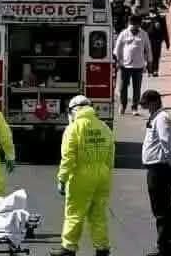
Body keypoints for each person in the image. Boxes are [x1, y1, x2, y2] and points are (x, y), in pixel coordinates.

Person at [51, 95, 114, 256]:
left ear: (73, 111)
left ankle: (69, 247)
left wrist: (62, 179)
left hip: (81, 176)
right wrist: (106, 172)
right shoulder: (104, 127)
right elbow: (110, 155)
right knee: (98, 215)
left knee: (74, 213)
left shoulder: (73, 129)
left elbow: (68, 157)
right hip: (102, 175)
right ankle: (102, 248)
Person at [140, 90, 171, 256]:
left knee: (162, 211)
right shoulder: (156, 117)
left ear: (155, 102)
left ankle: (166, 248)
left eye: (147, 105)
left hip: (160, 168)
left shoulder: (162, 118)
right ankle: (165, 246)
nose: (146, 108)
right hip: (156, 168)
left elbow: (167, 142)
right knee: (161, 209)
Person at [114, 15, 152, 115]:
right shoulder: (124, 33)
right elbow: (117, 48)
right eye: (132, 24)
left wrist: (149, 61)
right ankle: (123, 105)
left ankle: (134, 107)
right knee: (123, 87)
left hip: (138, 66)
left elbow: (148, 48)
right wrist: (117, 61)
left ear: (139, 24)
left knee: (137, 88)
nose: (134, 27)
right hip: (125, 66)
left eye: (136, 25)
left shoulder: (143, 34)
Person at [145, 9, 170, 77]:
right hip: (149, 40)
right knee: (150, 55)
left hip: (157, 40)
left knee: (156, 56)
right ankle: (150, 70)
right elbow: (143, 30)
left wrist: (167, 42)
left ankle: (155, 70)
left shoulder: (161, 19)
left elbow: (165, 30)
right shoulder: (147, 18)